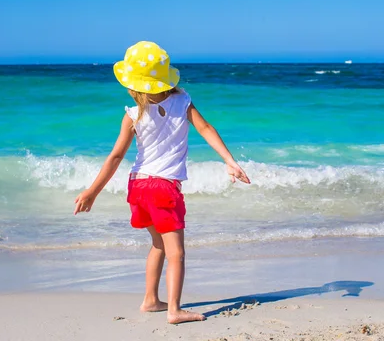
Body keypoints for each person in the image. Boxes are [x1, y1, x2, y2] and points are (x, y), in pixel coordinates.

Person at [74, 41, 251, 324]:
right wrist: (229, 160)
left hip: (138, 185)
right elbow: (206, 128)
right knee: (176, 253)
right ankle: (174, 310)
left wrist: (92, 191)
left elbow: (116, 156)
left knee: (158, 244)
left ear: (133, 83)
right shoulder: (182, 102)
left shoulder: (132, 115)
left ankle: (151, 300)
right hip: (163, 188)